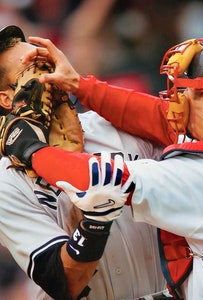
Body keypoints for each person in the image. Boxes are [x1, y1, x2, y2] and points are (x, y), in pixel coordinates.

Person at [14, 35, 203, 299]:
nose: (174, 99)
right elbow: (155, 116)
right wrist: (79, 84)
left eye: (183, 90)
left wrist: (29, 149)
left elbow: (96, 178)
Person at [0, 25, 170, 300]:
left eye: (47, 63)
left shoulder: (116, 127)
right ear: (6, 98)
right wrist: (95, 224)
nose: (48, 74)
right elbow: (65, 281)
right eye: (32, 70)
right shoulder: (7, 181)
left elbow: (186, 130)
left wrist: (82, 84)